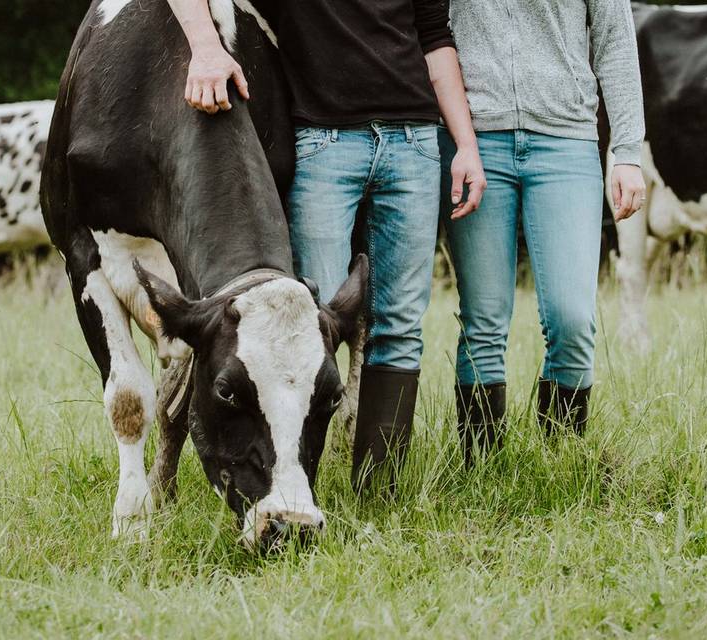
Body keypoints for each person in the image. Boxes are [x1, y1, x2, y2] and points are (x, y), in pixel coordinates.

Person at [167, 0, 485, 489]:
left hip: (416, 143)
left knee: (401, 323)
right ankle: (299, 482)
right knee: (306, 323)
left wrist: (465, 145)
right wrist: (205, 47)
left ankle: (381, 490)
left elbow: (435, 37)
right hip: (325, 145)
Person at [440, 0, 646, 463]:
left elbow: (615, 39)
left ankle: (560, 462)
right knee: (483, 320)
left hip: (567, 142)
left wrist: (628, 151)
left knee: (573, 319)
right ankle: (481, 469)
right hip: (477, 141)